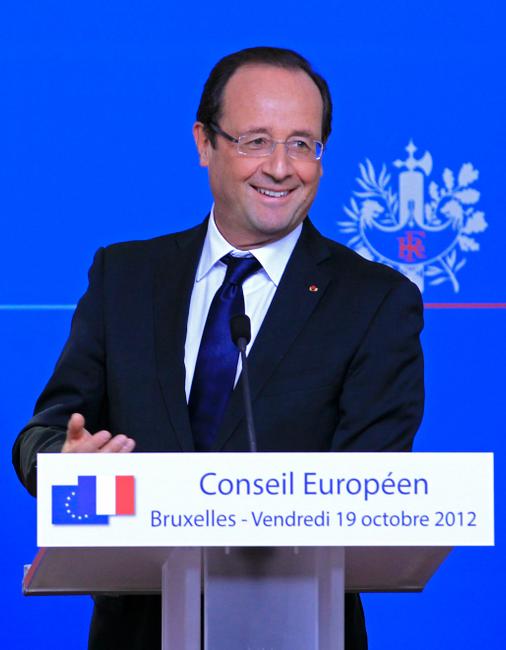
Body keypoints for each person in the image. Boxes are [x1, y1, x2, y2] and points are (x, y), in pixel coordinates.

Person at [12, 46, 424, 650]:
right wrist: (65, 468)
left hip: (299, 633)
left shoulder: (376, 301)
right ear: (204, 143)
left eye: (302, 144)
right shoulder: (125, 277)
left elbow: (370, 486)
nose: (280, 167)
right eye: (255, 141)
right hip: (138, 632)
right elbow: (45, 433)